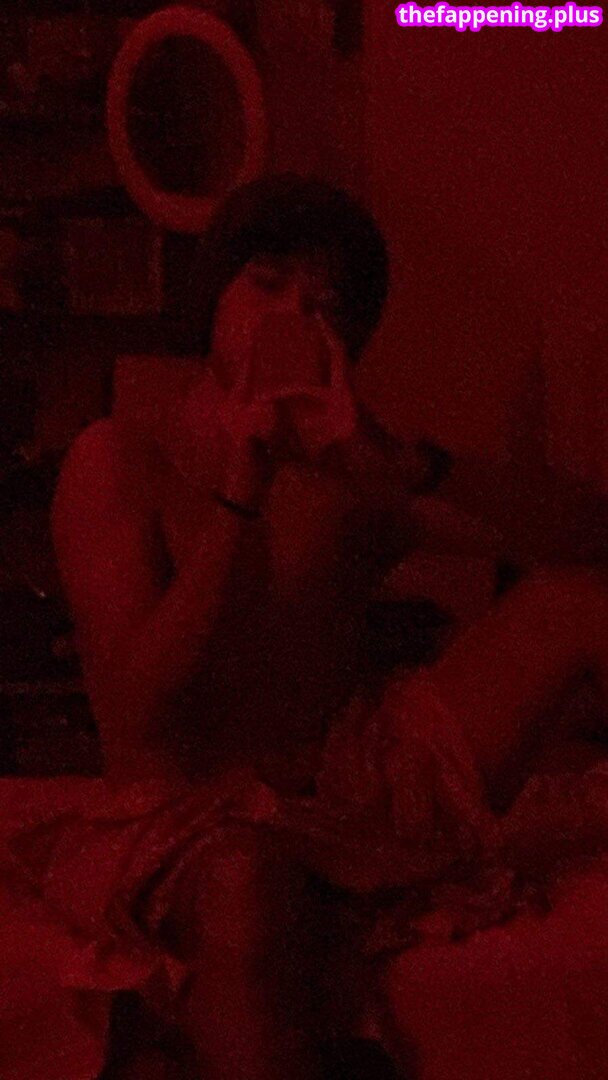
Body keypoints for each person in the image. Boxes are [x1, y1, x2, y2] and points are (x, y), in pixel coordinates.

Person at [7, 174, 608, 1080]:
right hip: (184, 814)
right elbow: (142, 709)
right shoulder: (119, 459)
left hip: (351, 777)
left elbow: (589, 539)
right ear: (216, 294)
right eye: (268, 284)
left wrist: (411, 464)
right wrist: (239, 497)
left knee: (580, 604)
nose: (291, 316)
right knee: (244, 879)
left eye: (324, 307)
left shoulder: (349, 476)